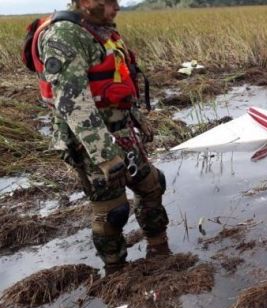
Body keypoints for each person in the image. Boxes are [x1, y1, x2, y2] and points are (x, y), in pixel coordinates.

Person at [22, 0, 170, 272]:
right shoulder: (63, 35)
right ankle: (116, 270)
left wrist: (138, 119)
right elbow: (72, 103)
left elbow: (120, 81)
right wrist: (104, 155)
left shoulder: (103, 32)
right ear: (88, 2)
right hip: (90, 142)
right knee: (112, 213)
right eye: (110, 2)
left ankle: (159, 250)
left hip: (121, 132)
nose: (118, 7)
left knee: (152, 185)